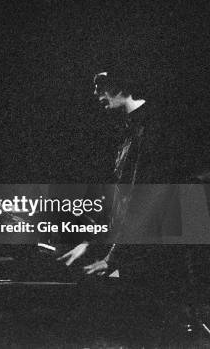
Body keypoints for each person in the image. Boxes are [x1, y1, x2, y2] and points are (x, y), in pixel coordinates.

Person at [58, 70, 182, 276]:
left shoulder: (152, 130)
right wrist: (93, 244)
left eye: (101, 86)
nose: (96, 93)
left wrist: (113, 258)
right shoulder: (129, 129)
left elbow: (146, 201)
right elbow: (120, 199)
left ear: (121, 85)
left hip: (148, 257)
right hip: (129, 252)